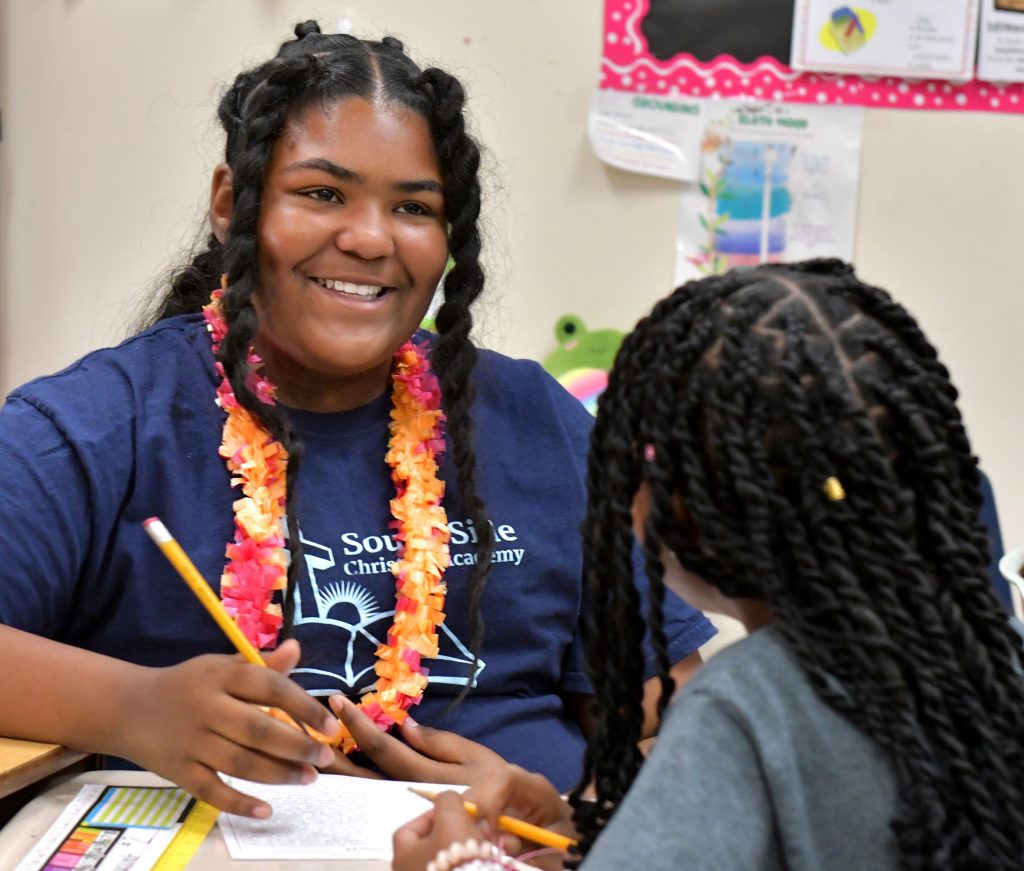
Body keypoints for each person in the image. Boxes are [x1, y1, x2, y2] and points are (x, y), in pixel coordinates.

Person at [0, 22, 713, 819]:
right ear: (233, 205)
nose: (370, 238)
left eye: (413, 206)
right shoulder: (103, 425)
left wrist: (567, 813)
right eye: (322, 193)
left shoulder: (532, 418)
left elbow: (677, 722)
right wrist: (130, 706)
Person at [391, 260, 1024, 870]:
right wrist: (595, 830)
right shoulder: (995, 658)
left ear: (678, 512)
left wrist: (450, 866)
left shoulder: (742, 708)